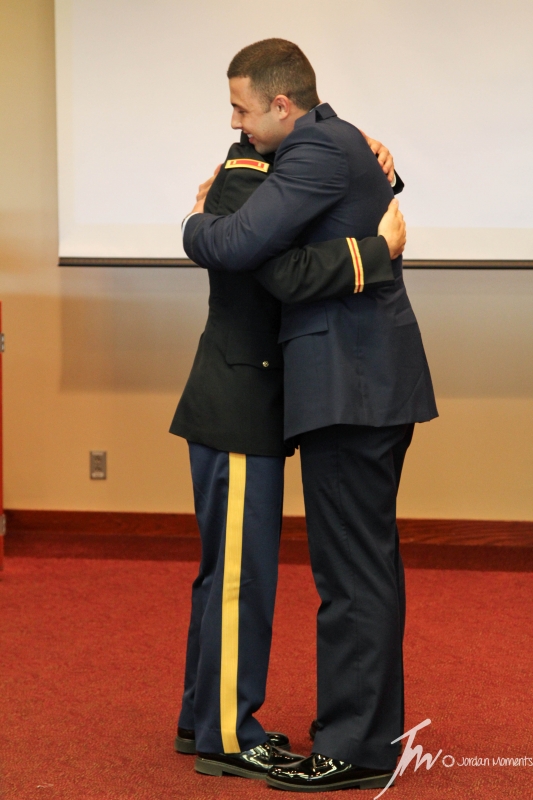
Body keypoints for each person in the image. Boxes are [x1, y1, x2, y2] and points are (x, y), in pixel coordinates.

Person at [182, 38, 437, 792]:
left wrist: (192, 222)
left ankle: (356, 748)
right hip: (345, 386)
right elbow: (286, 251)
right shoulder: (328, 143)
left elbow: (246, 247)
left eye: (241, 109)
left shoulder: (310, 150)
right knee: (352, 569)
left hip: (351, 387)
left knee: (352, 574)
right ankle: (255, 727)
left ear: (282, 104)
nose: (234, 125)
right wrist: (371, 245)